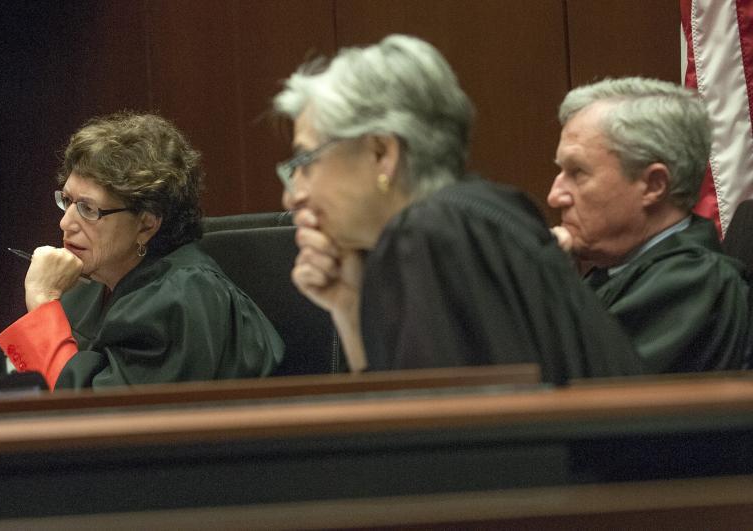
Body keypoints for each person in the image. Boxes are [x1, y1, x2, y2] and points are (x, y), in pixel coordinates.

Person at [272, 34, 643, 384]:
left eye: (305, 161)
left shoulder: (432, 232)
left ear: (381, 152)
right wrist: (349, 308)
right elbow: (401, 413)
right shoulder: (472, 218)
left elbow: (438, 437)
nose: (293, 196)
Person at [0, 113, 284, 389]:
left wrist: (43, 301)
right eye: (67, 201)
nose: (65, 222)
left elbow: (92, 419)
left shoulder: (179, 298)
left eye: (88, 208)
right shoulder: (90, 289)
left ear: (146, 224)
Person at [547, 77, 752, 373]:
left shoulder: (691, 281)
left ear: (653, 185)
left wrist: (546, 279)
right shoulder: (627, 268)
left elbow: (575, 391)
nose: (555, 197)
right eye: (561, 172)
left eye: (577, 172)